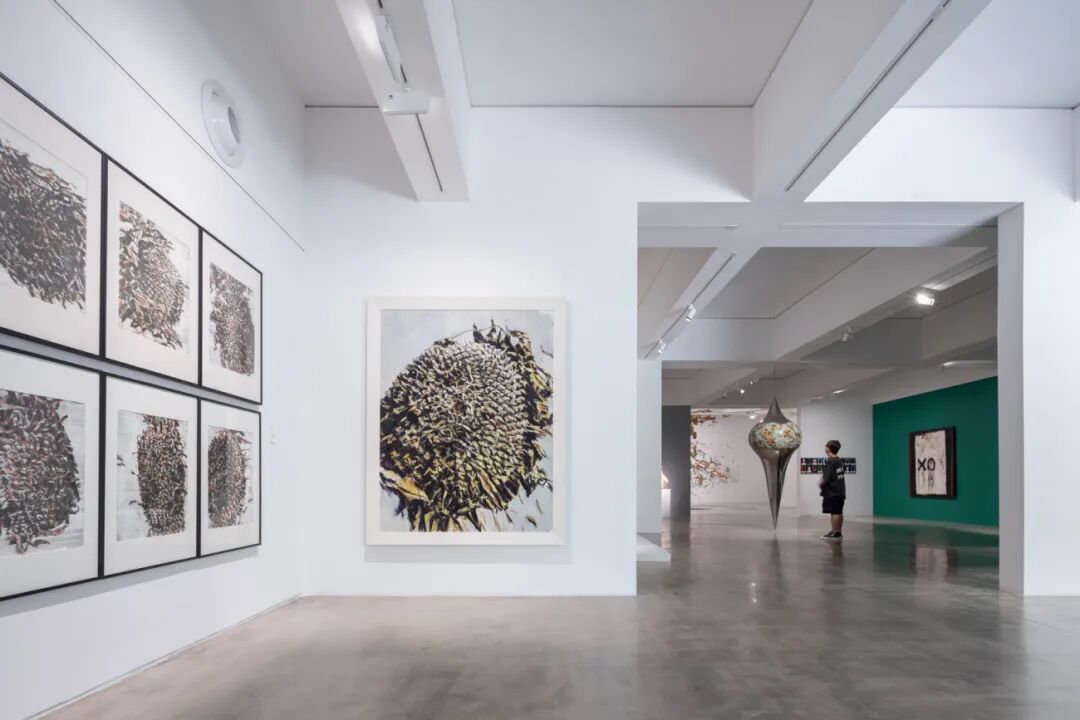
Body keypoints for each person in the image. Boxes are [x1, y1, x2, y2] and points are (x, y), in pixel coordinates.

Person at [819, 440, 846, 541]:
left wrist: (822, 485)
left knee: (835, 512)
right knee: (838, 512)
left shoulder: (830, 462)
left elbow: (826, 479)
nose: (825, 448)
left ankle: (835, 533)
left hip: (833, 492)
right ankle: (837, 531)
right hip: (840, 491)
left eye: (826, 446)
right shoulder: (839, 461)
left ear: (829, 448)